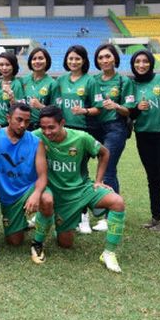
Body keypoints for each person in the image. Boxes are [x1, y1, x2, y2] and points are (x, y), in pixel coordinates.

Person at [32, 105, 126, 273]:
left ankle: (109, 252)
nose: (47, 132)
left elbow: (104, 153)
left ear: (62, 123)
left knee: (117, 202)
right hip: (58, 195)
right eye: (43, 127)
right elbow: (14, 134)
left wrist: (98, 181)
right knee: (65, 244)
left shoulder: (81, 138)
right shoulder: (37, 136)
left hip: (82, 190)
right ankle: (52, 225)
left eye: (51, 127)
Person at [0, 103, 50, 251]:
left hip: (30, 189)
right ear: (8, 118)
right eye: (19, 119)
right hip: (9, 198)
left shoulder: (36, 142)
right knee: (14, 242)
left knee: (47, 199)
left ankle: (38, 242)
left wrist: (36, 194)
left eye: (27, 121)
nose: (23, 125)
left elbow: (42, 176)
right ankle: (22, 222)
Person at [53, 44, 101, 234]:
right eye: (70, 58)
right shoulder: (61, 81)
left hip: (82, 132)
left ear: (84, 61)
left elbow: (98, 108)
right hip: (63, 133)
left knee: (79, 174)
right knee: (62, 174)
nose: (73, 62)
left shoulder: (90, 81)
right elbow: (56, 107)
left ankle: (83, 217)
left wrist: (85, 111)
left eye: (77, 59)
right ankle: (62, 214)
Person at [89, 43, 136, 231]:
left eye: (107, 56)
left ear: (115, 58)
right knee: (106, 170)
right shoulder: (93, 80)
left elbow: (129, 111)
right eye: (100, 58)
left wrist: (116, 106)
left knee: (108, 168)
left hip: (115, 128)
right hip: (95, 128)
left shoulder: (124, 81)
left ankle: (111, 215)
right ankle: (108, 210)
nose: (104, 60)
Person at [129, 50, 160, 231]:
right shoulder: (131, 84)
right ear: (133, 64)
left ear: (151, 63)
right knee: (152, 177)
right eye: (137, 62)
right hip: (143, 134)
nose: (141, 65)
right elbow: (130, 113)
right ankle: (156, 217)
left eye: (145, 61)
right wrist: (137, 108)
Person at [20, 47, 56, 131]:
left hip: (43, 127)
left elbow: (56, 111)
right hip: (23, 126)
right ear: (30, 62)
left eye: (41, 58)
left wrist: (40, 106)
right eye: (34, 59)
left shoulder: (52, 83)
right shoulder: (23, 80)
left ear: (47, 61)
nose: (37, 61)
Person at [0, 52, 24, 128]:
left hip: (9, 127)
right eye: (1, 65)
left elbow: (19, 109)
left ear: (13, 66)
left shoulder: (17, 84)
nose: (4, 68)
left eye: (8, 65)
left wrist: (11, 96)